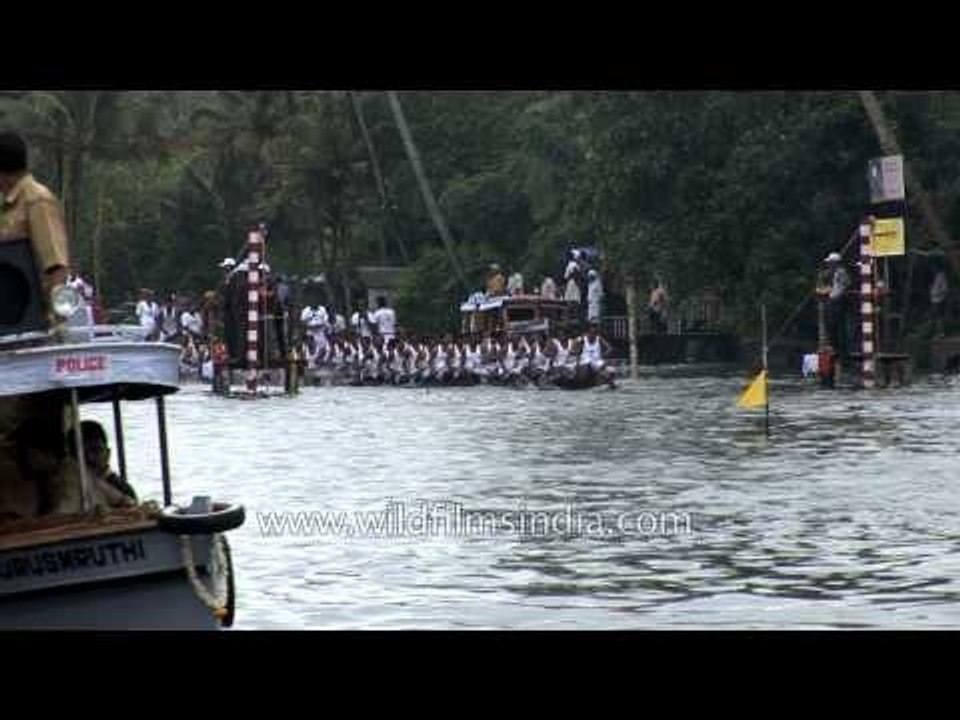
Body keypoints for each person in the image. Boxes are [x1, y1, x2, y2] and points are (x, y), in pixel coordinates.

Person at [0, 131, 73, 519]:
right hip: (7, 336)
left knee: (24, 428)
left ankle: (34, 515)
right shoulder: (6, 205)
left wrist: (52, 328)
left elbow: (55, 267)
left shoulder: (36, 201)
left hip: (36, 336)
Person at [930, 262, 948, 338]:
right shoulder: (935, 276)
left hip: (939, 300)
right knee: (935, 316)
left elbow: (945, 289)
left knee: (939, 317)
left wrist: (937, 293)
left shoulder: (941, 276)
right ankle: (937, 332)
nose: (933, 269)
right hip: (934, 299)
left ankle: (941, 332)